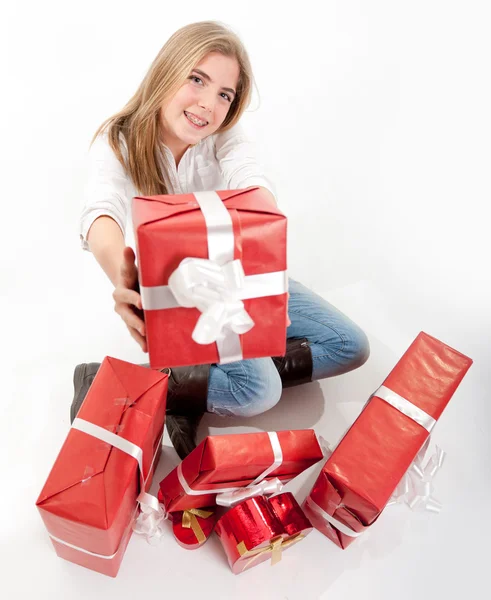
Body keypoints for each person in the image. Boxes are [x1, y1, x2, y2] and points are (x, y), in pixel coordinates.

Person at [73, 20, 370, 459]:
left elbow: (253, 183)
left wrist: (264, 274)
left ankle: (188, 389)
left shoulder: (224, 135)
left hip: (239, 275)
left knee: (350, 346)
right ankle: (108, 381)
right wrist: (126, 275)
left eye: (224, 95)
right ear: (167, 70)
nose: (208, 105)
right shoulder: (118, 139)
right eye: (197, 79)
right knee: (259, 390)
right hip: (181, 294)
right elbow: (101, 214)